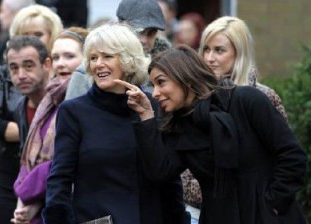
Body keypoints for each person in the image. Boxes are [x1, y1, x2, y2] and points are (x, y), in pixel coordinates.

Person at [115, 45, 307, 224]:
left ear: (186, 78)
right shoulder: (179, 126)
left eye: (161, 82)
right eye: (153, 85)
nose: (155, 93)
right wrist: (146, 115)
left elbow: (291, 155)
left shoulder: (245, 100)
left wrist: (272, 203)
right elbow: (160, 172)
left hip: (267, 215)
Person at [43, 23, 190, 224]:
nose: (98, 64)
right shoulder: (74, 112)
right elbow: (59, 180)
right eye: (93, 58)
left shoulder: (155, 107)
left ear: (128, 60)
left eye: (107, 56)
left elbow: (169, 180)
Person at [0, 4, 63, 223]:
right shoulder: (15, 94)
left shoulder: (63, 90)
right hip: (11, 170)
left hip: (51, 182)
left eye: (37, 34)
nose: (20, 74)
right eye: (14, 68)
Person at [11, 27, 88, 224]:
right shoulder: (50, 100)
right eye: (56, 57)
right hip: (42, 206)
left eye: (69, 56)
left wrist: (24, 191)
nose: (61, 63)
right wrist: (27, 203)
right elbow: (28, 157)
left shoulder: (87, 101)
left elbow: (66, 161)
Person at [65, 0, 171, 99]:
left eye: (151, 33)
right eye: (138, 31)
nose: (144, 39)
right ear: (119, 26)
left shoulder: (167, 69)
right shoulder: (89, 70)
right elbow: (71, 115)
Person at [199, 16, 287, 119]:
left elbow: (281, 135)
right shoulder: (196, 95)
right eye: (206, 49)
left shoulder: (264, 96)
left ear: (239, 53)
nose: (209, 58)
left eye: (219, 50)